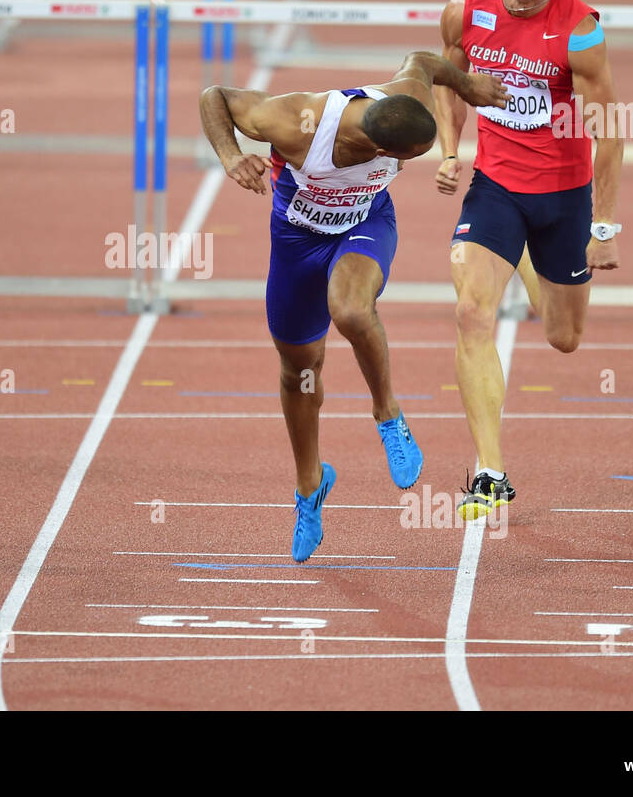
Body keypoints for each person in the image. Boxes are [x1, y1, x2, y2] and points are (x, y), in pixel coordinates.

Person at [200, 53, 508, 561]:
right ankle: (310, 486)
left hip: (365, 224)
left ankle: (388, 415)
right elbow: (215, 97)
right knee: (299, 369)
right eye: (401, 159)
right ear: (376, 146)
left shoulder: (406, 96)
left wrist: (469, 86)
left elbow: (423, 62)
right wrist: (232, 156)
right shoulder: (295, 120)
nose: (404, 167)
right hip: (297, 241)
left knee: (350, 309)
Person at [433, 0, 624, 521]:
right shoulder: (466, 9)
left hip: (563, 196)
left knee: (564, 338)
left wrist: (603, 226)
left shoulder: (580, 31)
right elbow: (446, 77)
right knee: (471, 312)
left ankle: (522, 253)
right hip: (495, 188)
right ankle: (490, 474)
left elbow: (610, 131)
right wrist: (449, 151)